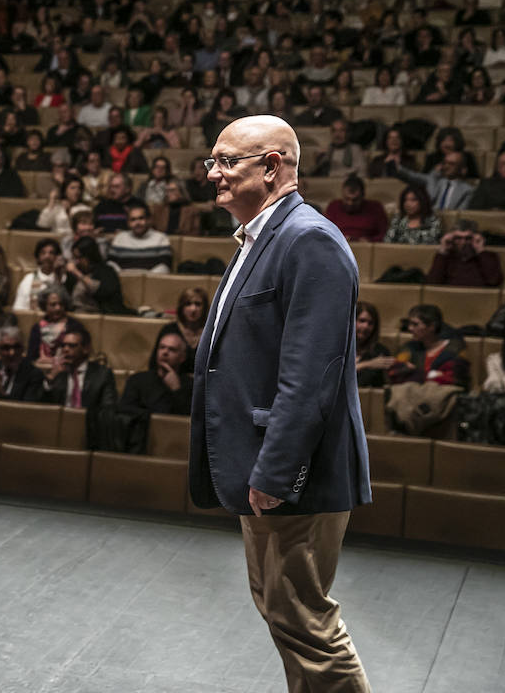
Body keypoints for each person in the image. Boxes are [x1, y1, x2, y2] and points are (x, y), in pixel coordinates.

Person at [190, 115, 372, 693]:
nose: (213, 174)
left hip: (293, 473)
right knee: (284, 611)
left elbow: (311, 377)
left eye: (226, 162)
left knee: (305, 623)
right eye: (211, 161)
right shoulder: (263, 235)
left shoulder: (308, 239)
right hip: (266, 466)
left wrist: (275, 470)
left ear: (272, 167)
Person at [35, 325, 117, 448]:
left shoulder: (102, 374)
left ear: (86, 349)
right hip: (58, 430)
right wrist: (51, 377)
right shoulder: (58, 374)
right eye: (63, 346)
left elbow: (108, 408)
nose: (66, 349)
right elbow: (40, 407)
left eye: (72, 346)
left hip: (89, 432)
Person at [388, 304, 471, 389]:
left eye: (415, 324)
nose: (410, 328)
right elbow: (395, 373)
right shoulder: (408, 348)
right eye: (409, 324)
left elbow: (455, 379)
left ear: (432, 326)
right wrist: (431, 375)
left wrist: (415, 373)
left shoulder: (456, 349)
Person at [119, 331, 193, 416]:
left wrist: (177, 390)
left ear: (182, 357)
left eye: (172, 349)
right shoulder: (137, 380)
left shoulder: (191, 385)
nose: (165, 352)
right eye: (162, 347)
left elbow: (189, 417)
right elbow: (124, 412)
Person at [67, 236, 132, 314]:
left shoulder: (106, 271)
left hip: (103, 315)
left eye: (79, 257)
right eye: (74, 257)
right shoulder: (75, 272)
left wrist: (77, 273)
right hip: (78, 315)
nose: (76, 261)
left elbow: (103, 294)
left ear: (89, 256)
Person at [428, 220, 503, 287]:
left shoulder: (488, 256)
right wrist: (443, 250)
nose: (463, 242)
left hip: (480, 300)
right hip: (449, 299)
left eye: (468, 238)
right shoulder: (444, 257)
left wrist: (480, 250)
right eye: (458, 238)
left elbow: (494, 281)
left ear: (476, 238)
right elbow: (433, 283)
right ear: (451, 238)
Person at [27, 285, 83, 368]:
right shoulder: (37, 328)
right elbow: (32, 356)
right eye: (53, 305)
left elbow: (78, 354)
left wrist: (50, 360)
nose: (58, 308)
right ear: (45, 306)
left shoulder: (74, 326)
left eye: (61, 304)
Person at [106, 204, 172, 272]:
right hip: (122, 279)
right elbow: (111, 263)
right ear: (128, 223)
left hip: (152, 279)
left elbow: (165, 265)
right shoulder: (120, 237)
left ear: (148, 220)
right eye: (133, 220)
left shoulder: (161, 238)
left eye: (141, 218)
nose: (137, 223)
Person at [323, 176, 388, 242]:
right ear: (342, 195)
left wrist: (369, 241)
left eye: (355, 200)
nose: (350, 203)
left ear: (363, 196)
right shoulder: (334, 207)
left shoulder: (375, 208)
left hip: (367, 248)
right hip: (338, 246)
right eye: (347, 199)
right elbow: (325, 232)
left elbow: (385, 235)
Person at [13, 238, 67, 310]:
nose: (47, 256)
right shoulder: (29, 279)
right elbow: (19, 308)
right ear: (38, 257)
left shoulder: (64, 278)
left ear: (57, 257)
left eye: (51, 253)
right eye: (43, 253)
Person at [354, 302, 394, 388]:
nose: (366, 326)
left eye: (370, 323)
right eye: (362, 321)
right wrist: (366, 364)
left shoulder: (379, 352)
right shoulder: (337, 349)